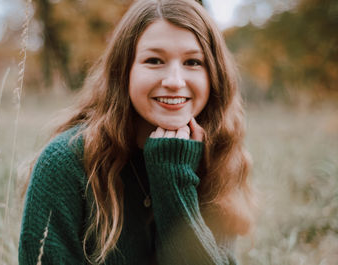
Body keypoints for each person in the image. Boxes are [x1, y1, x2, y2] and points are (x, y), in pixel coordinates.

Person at [18, 0, 256, 264]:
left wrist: (173, 180)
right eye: (154, 60)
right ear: (124, 71)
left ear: (215, 75)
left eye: (193, 62)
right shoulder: (66, 163)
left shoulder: (218, 156)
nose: (175, 81)